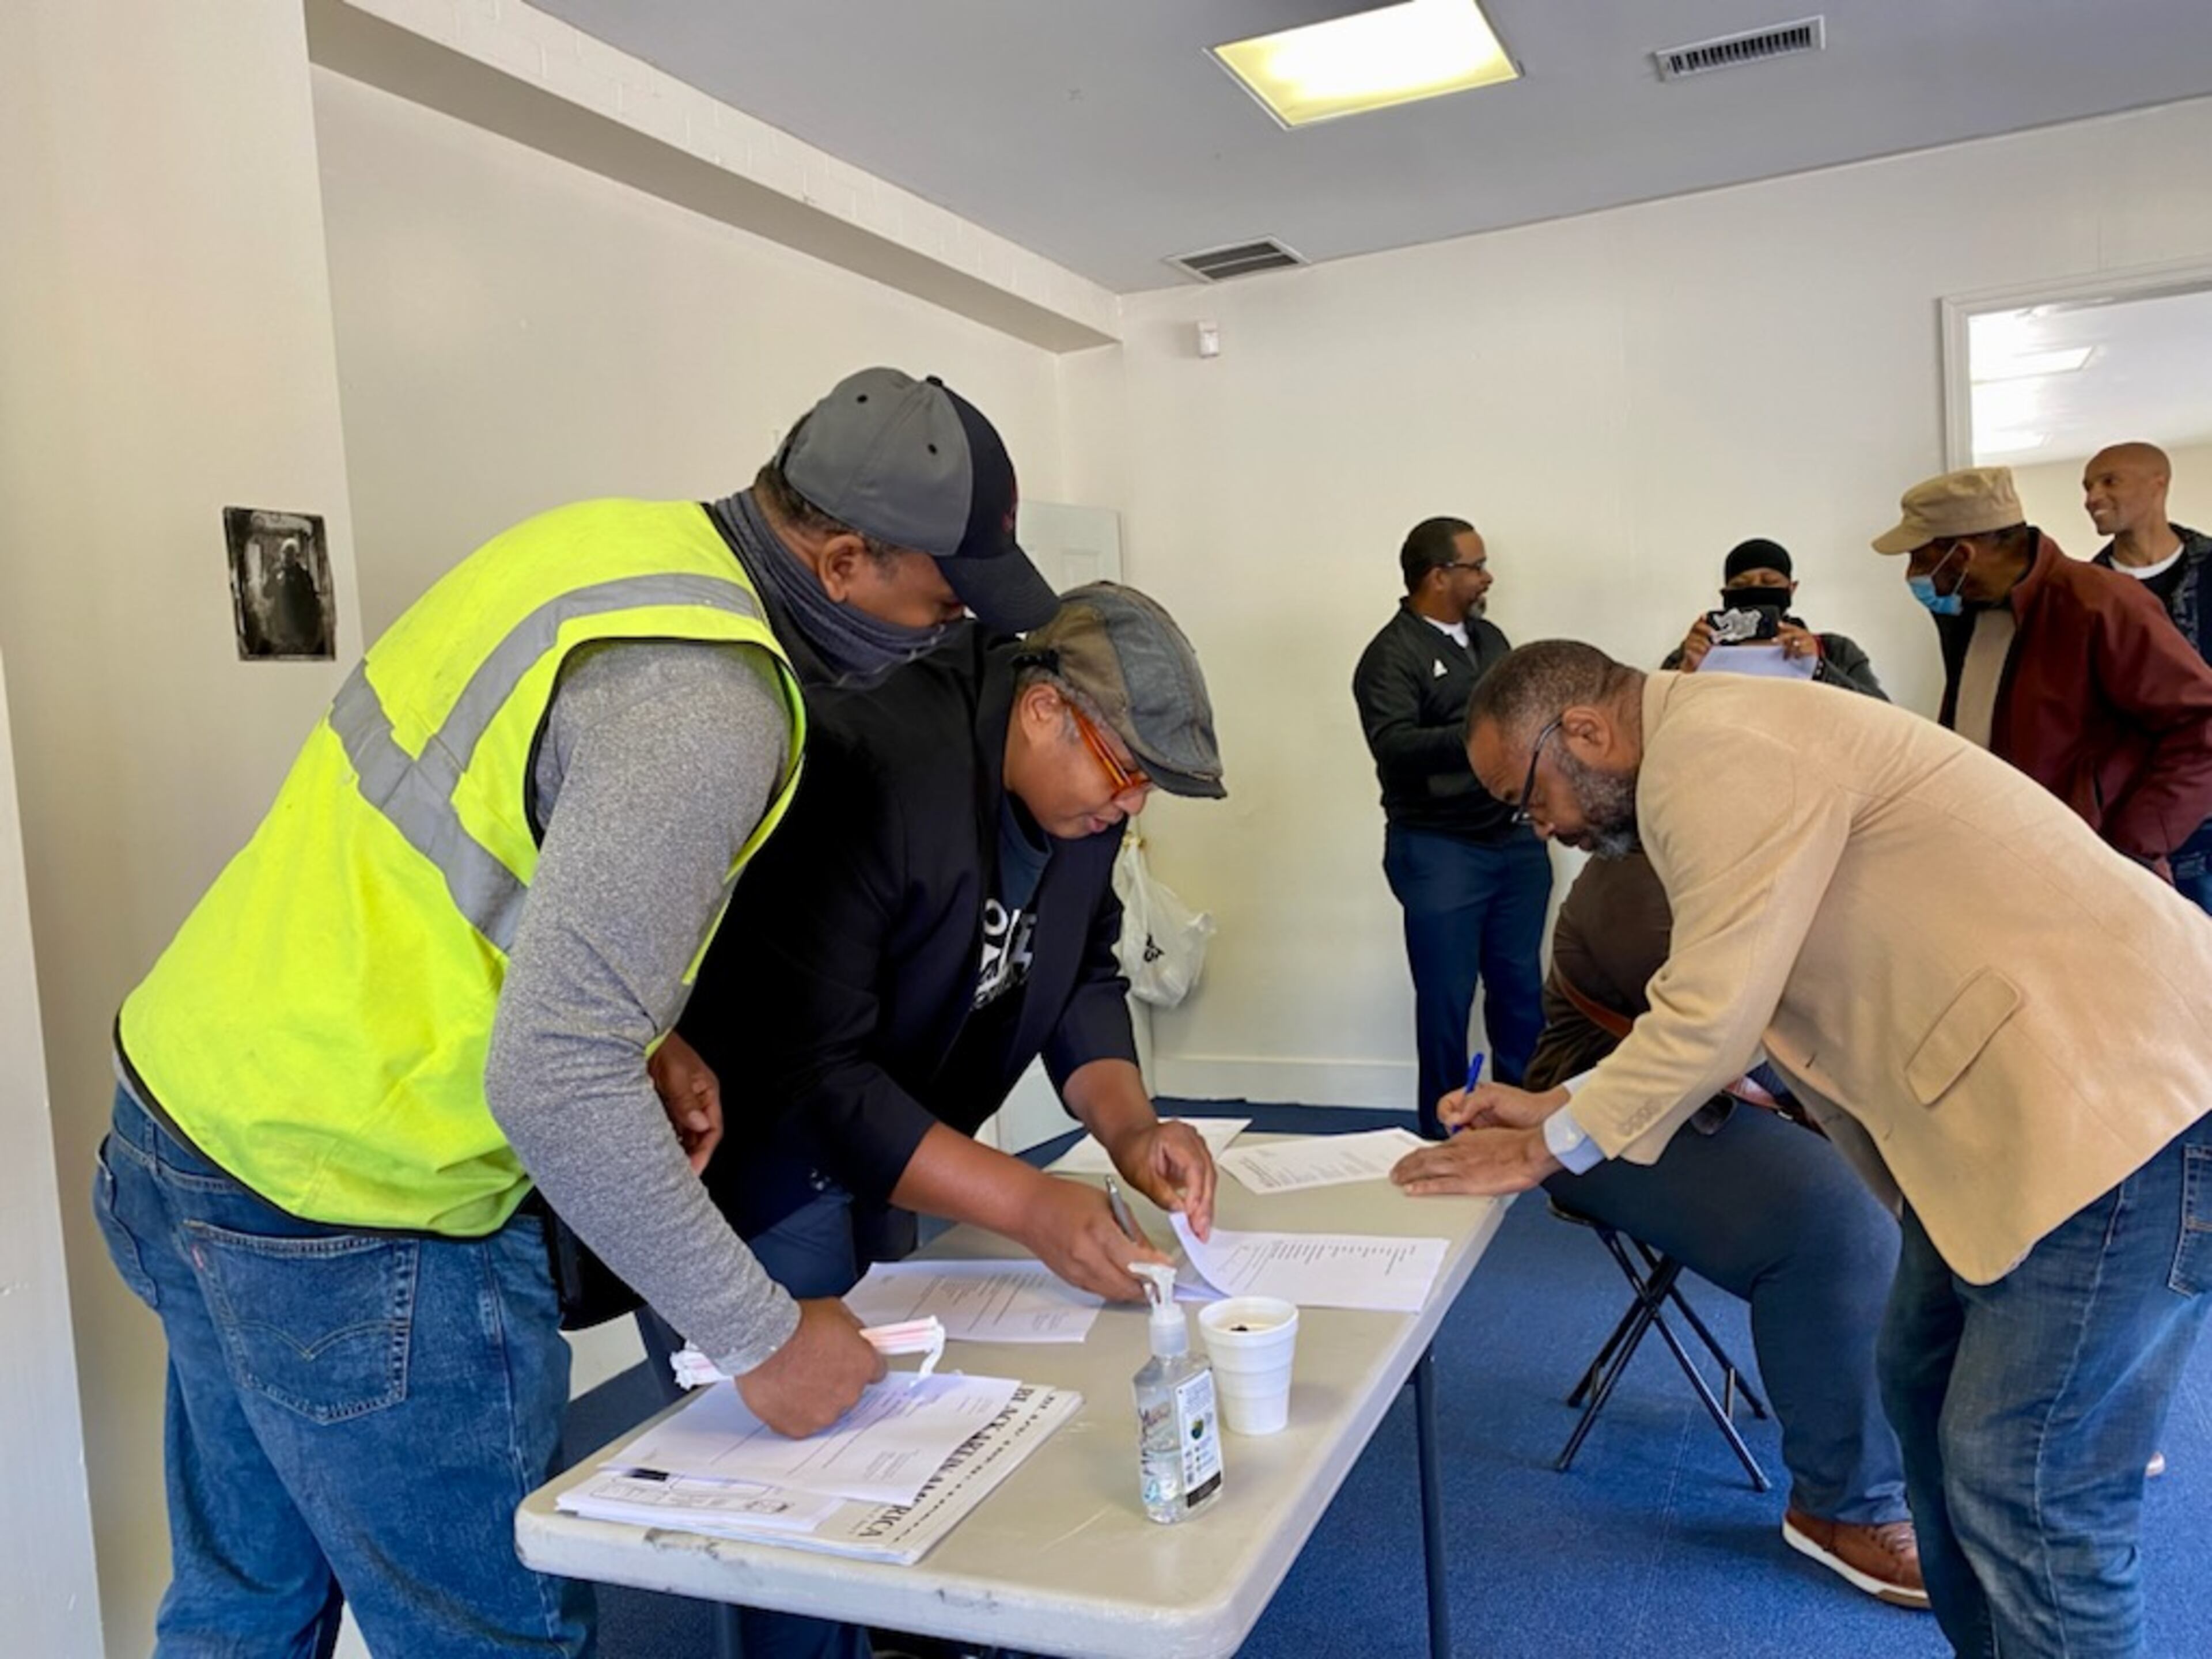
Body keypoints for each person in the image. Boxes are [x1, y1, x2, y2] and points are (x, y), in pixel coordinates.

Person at [92, 366, 1060, 1658]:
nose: (950, 633)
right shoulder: (709, 704)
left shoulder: (601, 548)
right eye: (940, 603)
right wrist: (765, 1337)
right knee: (494, 1635)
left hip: (190, 1116)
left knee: (244, 1606)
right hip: (360, 1199)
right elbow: (553, 1080)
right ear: (841, 561)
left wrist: (640, 1018)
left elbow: (476, 829)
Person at [1393, 641, 2212, 1659]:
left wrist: (1546, 1150)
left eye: (1531, 797)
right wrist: (1562, 1101)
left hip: (2118, 1107)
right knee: (1919, 1397)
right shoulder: (1722, 743)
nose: (1544, 828)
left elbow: (1711, 1016)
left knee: (2031, 1487)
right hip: (2028, 1114)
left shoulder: (1718, 750)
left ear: (1588, 732)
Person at [669, 584, 1225, 1659]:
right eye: (1125, 772)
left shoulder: (1079, 810)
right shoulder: (879, 767)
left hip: (899, 1130)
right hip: (763, 1152)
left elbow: (1076, 973)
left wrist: (1127, 1128)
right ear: (1043, 711)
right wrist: (1029, 1204)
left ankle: (906, 1635)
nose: (1131, 807)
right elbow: (813, 1075)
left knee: (893, 1422)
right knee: (791, 1475)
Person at [1528, 852, 1920, 1607]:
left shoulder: (1761, 851)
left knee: (1954, 1162)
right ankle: (1843, 1509)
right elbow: (1740, 1036)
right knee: (1839, 1219)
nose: (1539, 824)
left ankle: (1986, 1428)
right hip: (1591, 1123)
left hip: (1721, 1095)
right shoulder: (1630, 878)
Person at [1873, 464, 2212, 873]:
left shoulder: (2100, 604)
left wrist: (2127, 850)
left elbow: (2201, 727)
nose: (1914, 575)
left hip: (2091, 874)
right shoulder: (1970, 617)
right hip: (2000, 860)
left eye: (1919, 558)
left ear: (1962, 555)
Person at [1352, 516, 1550, 1137]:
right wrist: (1480, 735)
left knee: (1521, 988)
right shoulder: (1391, 655)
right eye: (1477, 565)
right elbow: (1395, 747)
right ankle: (1443, 1134)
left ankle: (1525, 1130)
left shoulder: (1492, 639)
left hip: (1514, 841)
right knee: (1446, 1000)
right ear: (1439, 576)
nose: (1488, 576)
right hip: (1440, 849)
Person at [2084, 441, 2212, 909]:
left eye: (2109, 481)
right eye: (2087, 486)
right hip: (2129, 825)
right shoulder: (2086, 596)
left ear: (2159, 483)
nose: (2092, 497)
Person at [1664, 536, 1885, 697]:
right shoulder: (1697, 650)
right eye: (1741, 585)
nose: (1756, 590)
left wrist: (1819, 668)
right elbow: (1649, 719)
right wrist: (1685, 671)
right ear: (1725, 594)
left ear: (1791, 589)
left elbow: (1886, 717)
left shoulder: (1835, 650)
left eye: (1769, 583)